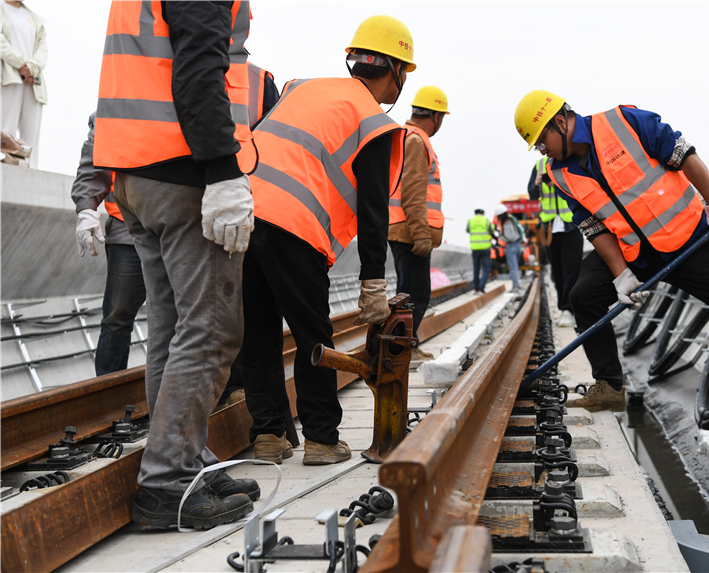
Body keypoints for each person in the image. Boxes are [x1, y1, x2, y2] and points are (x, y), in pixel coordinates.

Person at [513, 90, 709, 415]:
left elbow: (683, 154)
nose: (542, 150)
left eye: (541, 141)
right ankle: (609, 386)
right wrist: (621, 273)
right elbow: (594, 227)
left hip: (687, 240)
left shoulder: (624, 121)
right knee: (583, 296)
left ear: (561, 121)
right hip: (635, 253)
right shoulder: (558, 173)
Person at [93, 1, 260, 530]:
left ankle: (187, 463)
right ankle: (166, 483)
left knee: (172, 329)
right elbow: (197, 72)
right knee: (209, 331)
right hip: (180, 169)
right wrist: (222, 170)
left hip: (135, 175)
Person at [239, 15, 413, 466]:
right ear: (394, 70)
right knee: (312, 332)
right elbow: (374, 213)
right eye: (405, 74)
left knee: (258, 332)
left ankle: (269, 436)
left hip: (240, 211)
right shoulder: (371, 120)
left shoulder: (301, 88)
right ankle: (320, 438)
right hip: (294, 224)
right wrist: (373, 284)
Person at [71, 113, 146, 376]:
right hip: (128, 230)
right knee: (116, 319)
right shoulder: (112, 104)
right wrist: (86, 207)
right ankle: (109, 398)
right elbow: (95, 160)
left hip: (181, 229)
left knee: (180, 320)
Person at [388, 85, 448, 358]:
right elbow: (412, 190)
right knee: (415, 294)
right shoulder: (415, 139)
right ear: (435, 116)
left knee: (407, 292)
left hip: (404, 229)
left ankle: (400, 348)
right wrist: (420, 233)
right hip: (410, 232)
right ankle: (398, 352)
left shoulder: (407, 136)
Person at [529, 156, 583, 327]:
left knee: (572, 270)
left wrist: (557, 183)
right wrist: (537, 183)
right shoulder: (539, 166)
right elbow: (531, 195)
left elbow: (580, 187)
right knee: (557, 271)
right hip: (550, 228)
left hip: (571, 224)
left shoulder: (569, 159)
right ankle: (563, 308)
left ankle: (570, 310)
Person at [1, 0, 47, 168]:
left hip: (33, 83)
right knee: (6, 130)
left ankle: (31, 171)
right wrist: (22, 65)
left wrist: (31, 68)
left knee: (31, 137)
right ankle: (5, 167)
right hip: (9, 79)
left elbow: (42, 50)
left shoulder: (34, 18)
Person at [467, 205, 496, 293]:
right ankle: (481, 288)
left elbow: (468, 230)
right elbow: (492, 231)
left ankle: (476, 288)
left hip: (475, 248)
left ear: (475, 213)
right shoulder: (486, 220)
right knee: (486, 269)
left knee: (476, 268)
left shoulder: (470, 221)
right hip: (485, 248)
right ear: (483, 213)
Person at [495, 204, 524, 291]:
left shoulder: (506, 223)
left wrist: (501, 237)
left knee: (513, 268)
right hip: (517, 245)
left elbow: (510, 237)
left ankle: (515, 287)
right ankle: (516, 285)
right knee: (515, 267)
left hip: (511, 246)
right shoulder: (512, 219)